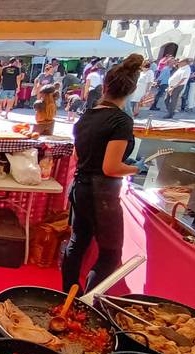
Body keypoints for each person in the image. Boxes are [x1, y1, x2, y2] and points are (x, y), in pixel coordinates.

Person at [61, 54, 147, 294]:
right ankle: (89, 302)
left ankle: (69, 293)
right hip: (102, 193)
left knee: (77, 243)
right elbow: (111, 167)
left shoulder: (86, 116)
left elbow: (78, 157)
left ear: (105, 86)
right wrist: (136, 167)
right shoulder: (120, 121)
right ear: (130, 91)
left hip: (80, 187)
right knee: (110, 254)